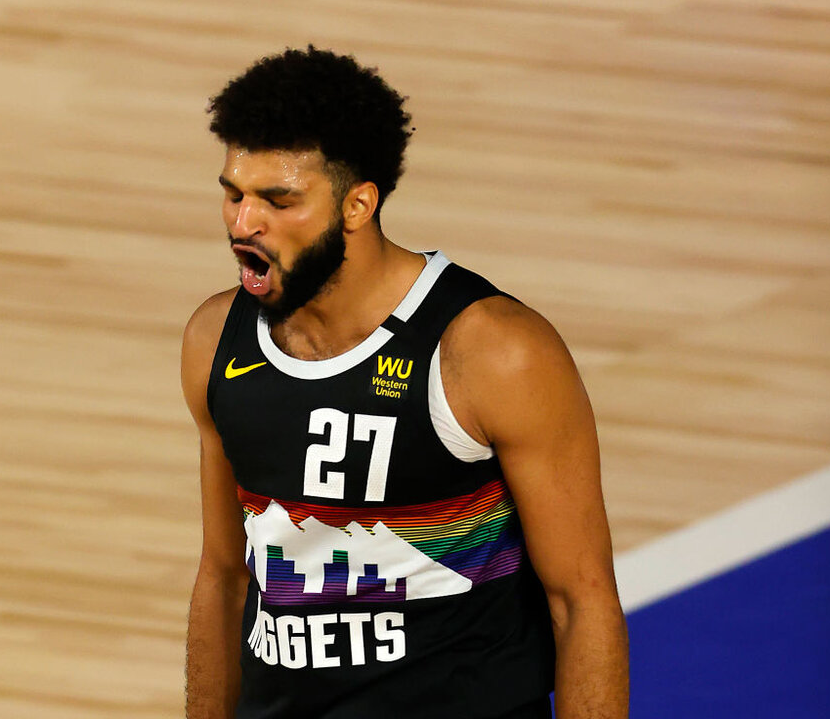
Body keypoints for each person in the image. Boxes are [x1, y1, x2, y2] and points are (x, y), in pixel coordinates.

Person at [181, 46, 628, 719]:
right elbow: (223, 576)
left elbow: (582, 600)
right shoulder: (217, 341)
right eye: (234, 194)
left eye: (279, 200)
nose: (244, 223)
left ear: (358, 204)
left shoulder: (493, 351)